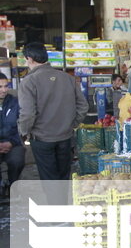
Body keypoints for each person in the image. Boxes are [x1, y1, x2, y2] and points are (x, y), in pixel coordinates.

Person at [17, 42, 88, 181]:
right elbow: (83, 106)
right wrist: (72, 124)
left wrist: (24, 132)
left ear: (29, 59)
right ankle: (62, 202)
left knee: (49, 179)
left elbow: (28, 114)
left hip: (42, 139)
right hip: (66, 137)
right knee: (63, 177)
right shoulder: (67, 78)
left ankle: (54, 203)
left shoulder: (28, 81)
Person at [0, 75, 25, 191]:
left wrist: (11, 142)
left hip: (13, 142)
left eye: (6, 86)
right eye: (0, 87)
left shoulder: (15, 102)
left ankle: (13, 186)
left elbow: (22, 126)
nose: (4, 90)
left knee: (17, 161)